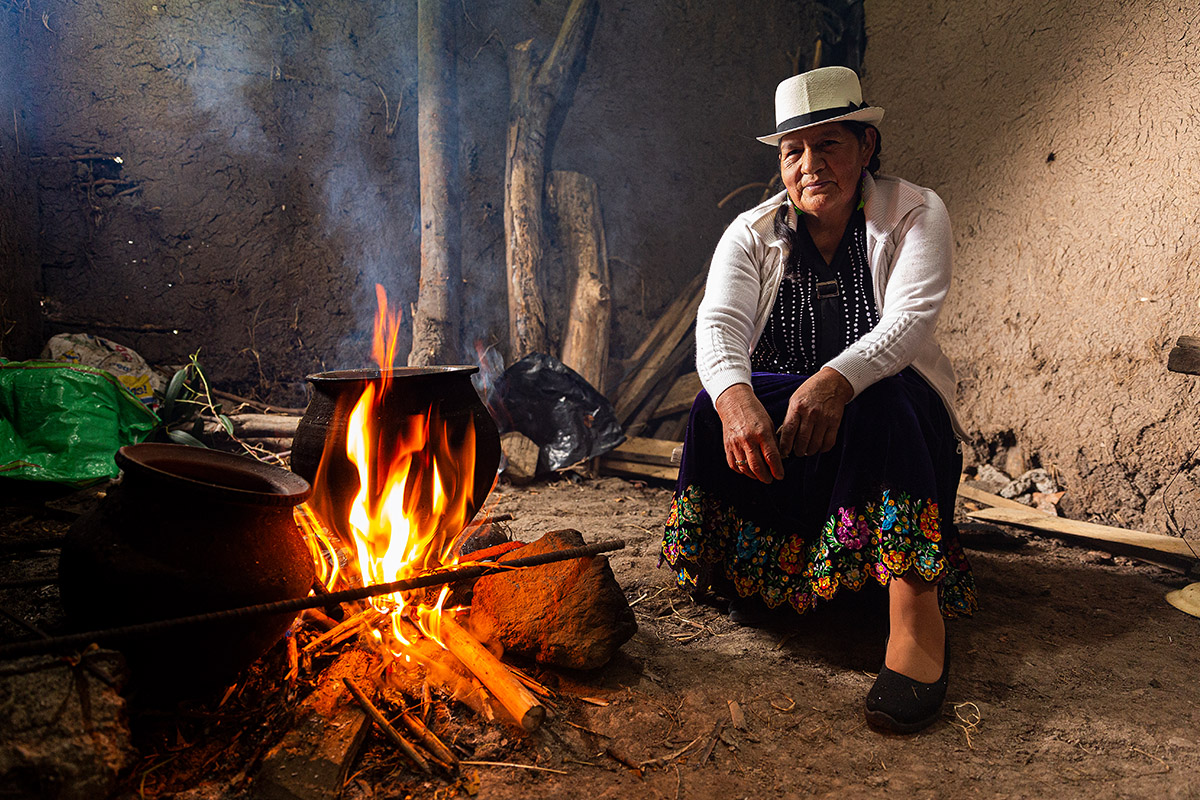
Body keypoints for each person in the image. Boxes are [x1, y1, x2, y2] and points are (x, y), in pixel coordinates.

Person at [661, 66, 976, 734]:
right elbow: (719, 326)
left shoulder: (916, 213)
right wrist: (736, 398)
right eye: (793, 151)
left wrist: (835, 381)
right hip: (794, 443)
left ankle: (914, 620)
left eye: (829, 145)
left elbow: (909, 321)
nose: (811, 165)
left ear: (865, 148)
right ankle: (761, 569)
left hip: (892, 428)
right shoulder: (753, 232)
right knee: (709, 406)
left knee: (884, 402)